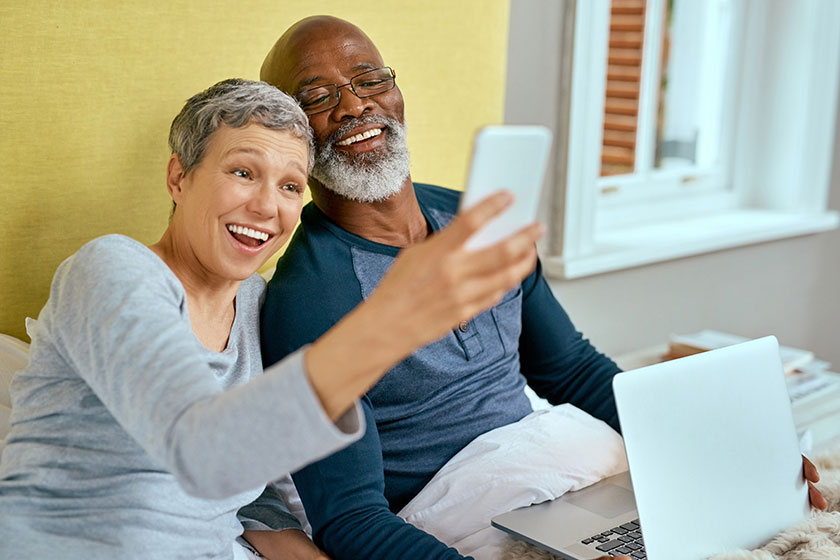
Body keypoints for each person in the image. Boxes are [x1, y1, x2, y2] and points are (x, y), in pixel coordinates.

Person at [258, 16, 827, 560]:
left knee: (759, 511)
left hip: (571, 480)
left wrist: (709, 448)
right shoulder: (310, 299)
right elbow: (351, 517)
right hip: (465, 514)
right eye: (317, 97)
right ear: (290, 135)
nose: (356, 106)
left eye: (368, 79)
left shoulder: (477, 216)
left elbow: (571, 369)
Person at [0, 78, 543, 559]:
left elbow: (251, 485)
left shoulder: (259, 305)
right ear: (178, 178)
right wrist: (391, 321)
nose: (267, 207)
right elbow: (201, 451)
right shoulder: (112, 270)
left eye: (289, 186)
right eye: (243, 172)